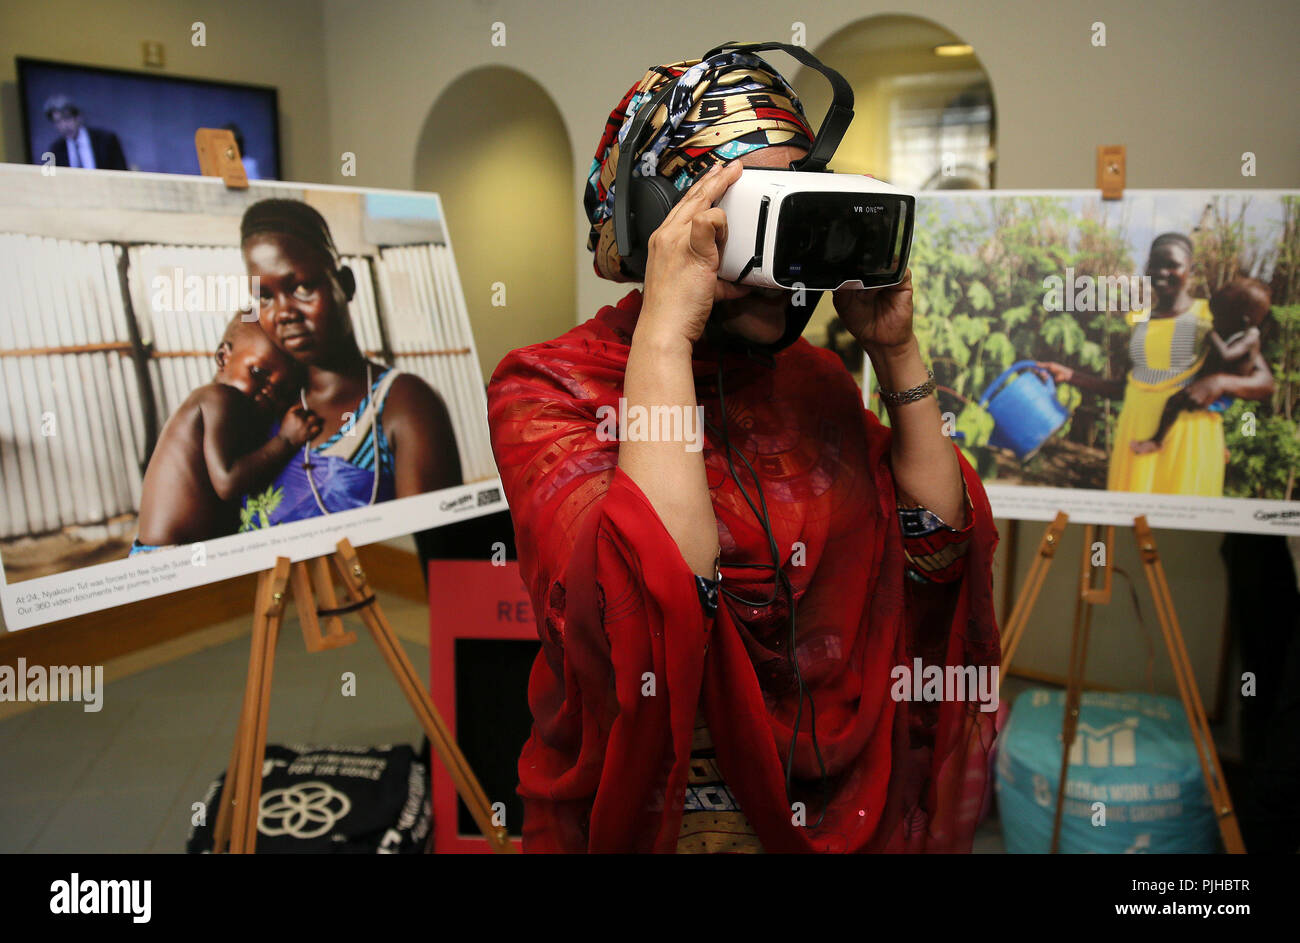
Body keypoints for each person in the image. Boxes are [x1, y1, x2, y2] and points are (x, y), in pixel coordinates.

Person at [487, 50, 1001, 853]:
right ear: (655, 214)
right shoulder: (547, 388)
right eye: (745, 206)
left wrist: (897, 352)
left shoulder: (815, 379)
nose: (775, 243)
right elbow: (646, 606)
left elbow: (935, 550)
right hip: (653, 813)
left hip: (841, 797)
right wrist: (666, 330)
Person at [237, 199, 462, 529]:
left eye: (301, 287)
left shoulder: (403, 404)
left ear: (346, 283)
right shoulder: (269, 406)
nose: (283, 313)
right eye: (264, 297)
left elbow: (436, 559)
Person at [1038, 233, 1274, 495]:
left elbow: (1265, 383)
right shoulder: (1141, 323)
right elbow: (1125, 388)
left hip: (1189, 436)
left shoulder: (1212, 316)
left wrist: (1219, 382)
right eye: (1154, 265)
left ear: (1191, 269)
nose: (1162, 272)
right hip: (1135, 433)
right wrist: (1070, 375)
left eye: (1172, 265)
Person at [132, 314, 319, 554]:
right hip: (169, 556)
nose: (268, 391)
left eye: (282, 389)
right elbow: (227, 481)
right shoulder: (217, 398)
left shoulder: (235, 414)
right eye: (259, 373)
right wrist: (286, 440)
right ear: (223, 358)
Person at [1131, 276, 1272, 455]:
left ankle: (1156, 441)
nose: (1213, 321)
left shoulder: (1247, 337)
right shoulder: (1232, 324)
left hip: (1210, 404)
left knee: (1174, 403)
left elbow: (1265, 382)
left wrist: (1219, 380)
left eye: (1218, 318)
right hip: (1153, 408)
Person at [42, 94, 128, 171]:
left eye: (67, 118)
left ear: (78, 117)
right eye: (58, 121)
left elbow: (121, 173)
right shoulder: (56, 149)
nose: (64, 126)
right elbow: (50, 180)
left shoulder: (107, 140)